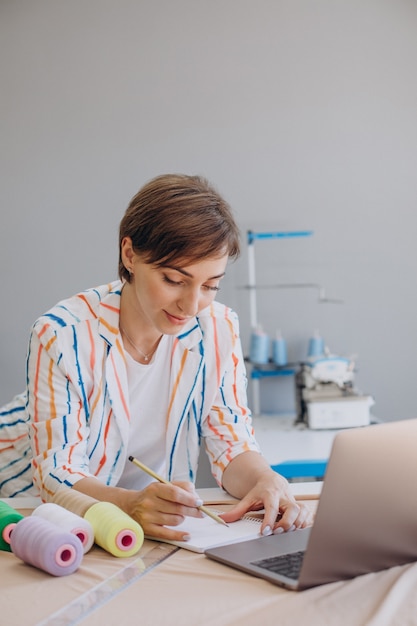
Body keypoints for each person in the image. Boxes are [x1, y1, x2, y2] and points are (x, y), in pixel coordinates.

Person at [0, 173, 313, 541]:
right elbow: (56, 477)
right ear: (129, 254)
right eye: (174, 280)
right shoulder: (63, 333)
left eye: (210, 285)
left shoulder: (218, 328)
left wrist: (265, 480)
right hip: (21, 502)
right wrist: (130, 505)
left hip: (120, 517)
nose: (192, 304)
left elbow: (231, 442)